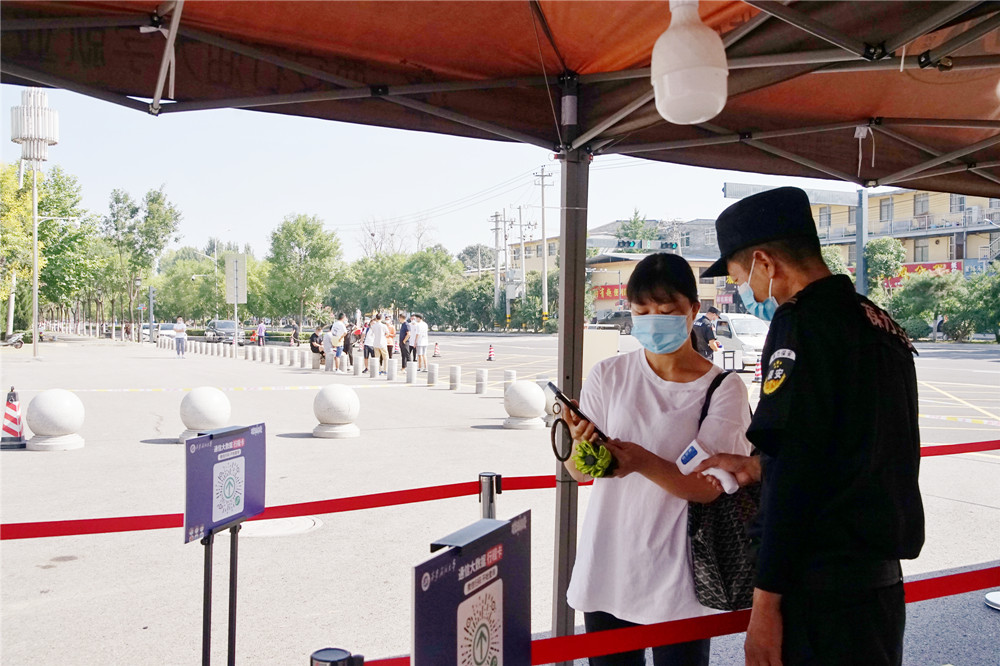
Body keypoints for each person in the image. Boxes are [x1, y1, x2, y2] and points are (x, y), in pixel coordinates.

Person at [696, 187, 924, 666]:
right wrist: (759, 466)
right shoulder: (878, 321)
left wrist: (765, 605)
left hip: (820, 592)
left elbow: (797, 471)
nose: (745, 291)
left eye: (738, 277)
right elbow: (848, 446)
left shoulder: (800, 323)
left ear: (764, 262)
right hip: (878, 588)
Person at [563, 252, 754, 666]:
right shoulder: (608, 375)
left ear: (694, 310)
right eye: (642, 311)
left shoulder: (723, 389)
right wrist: (580, 444)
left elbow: (707, 491)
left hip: (681, 576)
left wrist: (641, 462)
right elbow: (577, 472)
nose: (653, 321)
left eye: (666, 312)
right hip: (609, 564)